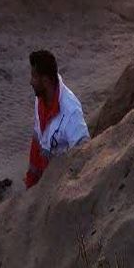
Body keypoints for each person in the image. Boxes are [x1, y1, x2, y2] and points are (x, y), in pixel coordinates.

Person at [24, 50, 90, 189]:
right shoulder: (40, 99)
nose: (30, 82)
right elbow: (37, 140)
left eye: (34, 77)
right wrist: (31, 181)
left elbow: (84, 153)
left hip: (58, 185)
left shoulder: (71, 112)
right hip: (44, 179)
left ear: (46, 81)